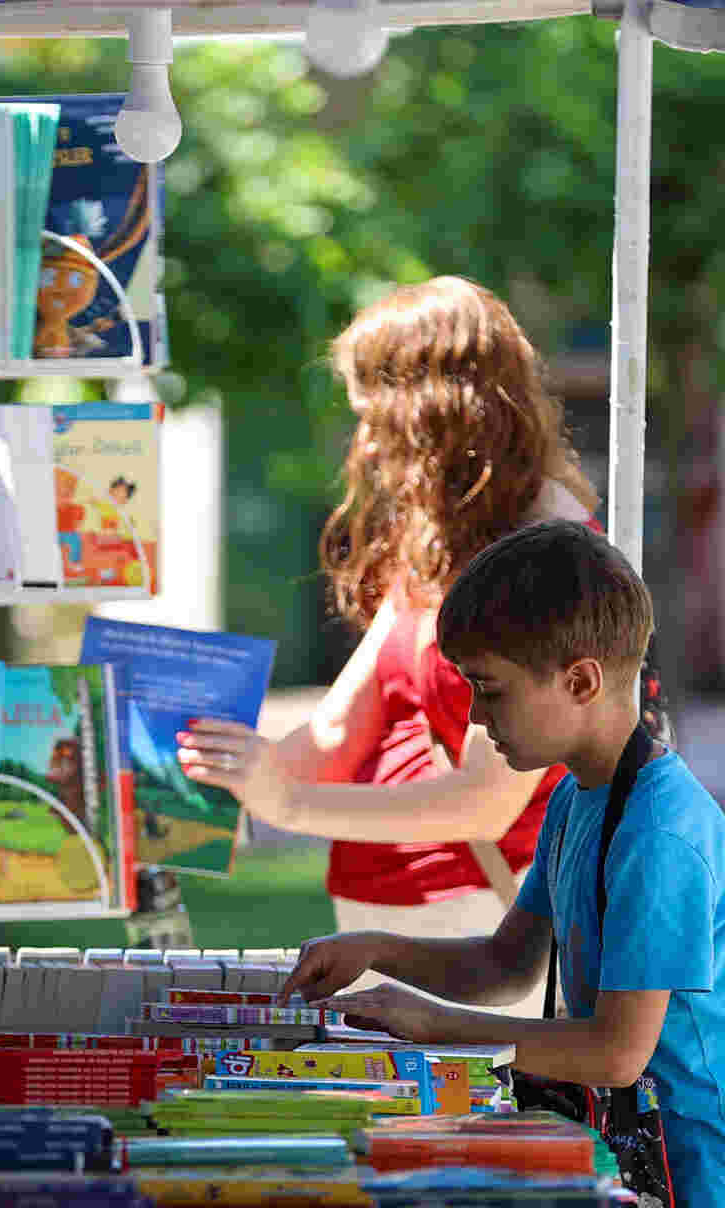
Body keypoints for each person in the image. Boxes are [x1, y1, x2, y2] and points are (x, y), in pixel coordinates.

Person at [284, 521, 725, 1208]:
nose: (476, 718)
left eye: (491, 689)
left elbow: (614, 1052)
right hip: (656, 1177)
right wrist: (376, 952)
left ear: (579, 681)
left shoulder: (659, 835)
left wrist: (432, 1025)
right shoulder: (580, 797)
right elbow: (506, 964)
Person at [174, 276, 599, 1009]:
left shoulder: (548, 559)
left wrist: (287, 806)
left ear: (433, 414)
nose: (365, 443)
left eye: (377, 415)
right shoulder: (434, 545)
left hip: (484, 931)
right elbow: (342, 725)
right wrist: (198, 788)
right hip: (378, 910)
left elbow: (484, 800)